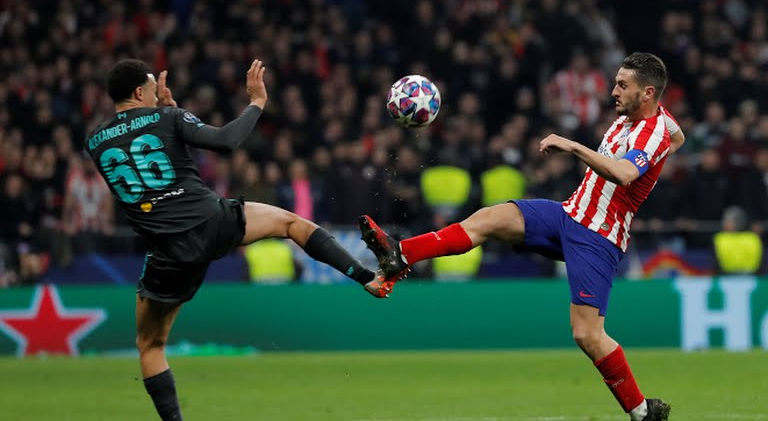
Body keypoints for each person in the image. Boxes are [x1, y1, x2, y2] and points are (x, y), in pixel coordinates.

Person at [359, 53, 685, 421]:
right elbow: (678, 137)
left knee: (587, 335)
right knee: (489, 218)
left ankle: (643, 412)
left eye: (623, 85)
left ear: (648, 93)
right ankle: (400, 254)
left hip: (598, 238)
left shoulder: (651, 132)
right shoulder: (648, 121)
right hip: (569, 214)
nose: (613, 91)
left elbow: (626, 174)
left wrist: (574, 146)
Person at [87, 58, 386, 421]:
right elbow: (225, 142)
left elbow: (144, 151)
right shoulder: (168, 119)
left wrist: (168, 112)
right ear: (139, 91)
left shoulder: (96, 141)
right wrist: (256, 102)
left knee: (150, 346)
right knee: (292, 223)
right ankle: (367, 278)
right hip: (213, 222)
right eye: (151, 87)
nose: (155, 91)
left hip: (168, 249)